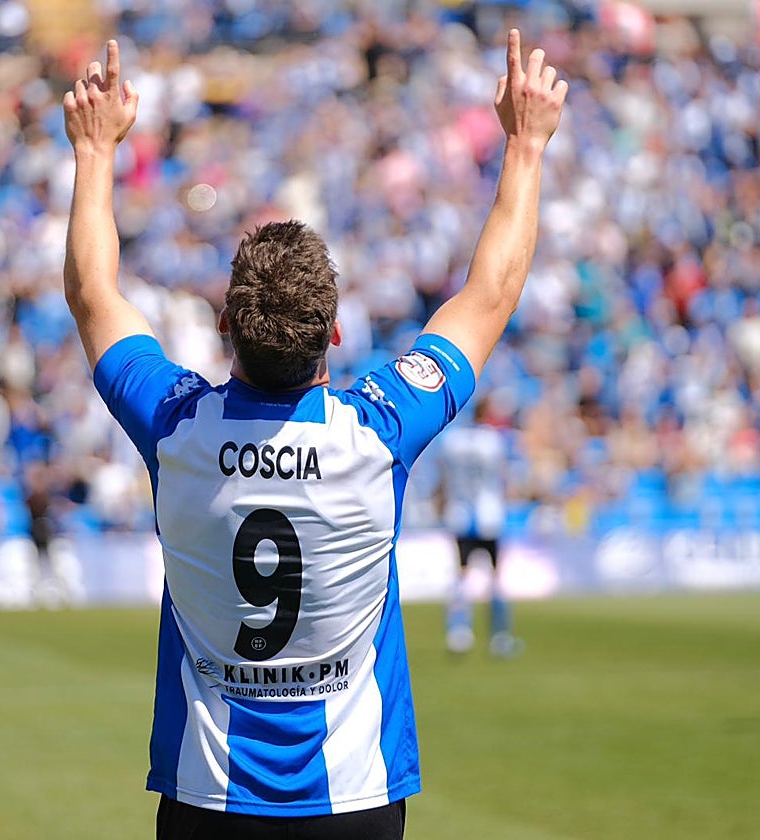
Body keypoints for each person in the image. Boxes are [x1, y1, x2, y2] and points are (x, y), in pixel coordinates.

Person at [61, 31, 566, 840]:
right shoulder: (378, 432)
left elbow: (93, 293)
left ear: (225, 327)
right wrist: (525, 144)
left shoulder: (175, 429)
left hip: (208, 801)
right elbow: (492, 293)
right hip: (354, 802)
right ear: (335, 334)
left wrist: (93, 152)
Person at [434, 396, 521, 658]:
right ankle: (500, 636)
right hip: (488, 515)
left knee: (460, 575)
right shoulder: (494, 440)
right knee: (494, 576)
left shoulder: (453, 441)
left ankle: (459, 631)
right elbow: (502, 477)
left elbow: (444, 479)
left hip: (460, 513)